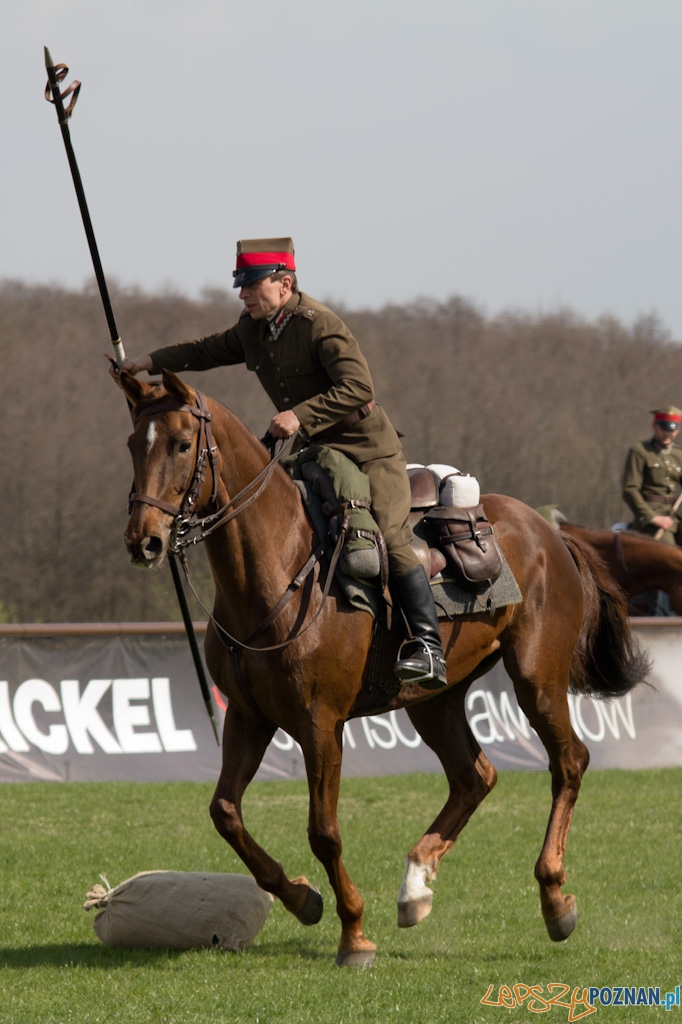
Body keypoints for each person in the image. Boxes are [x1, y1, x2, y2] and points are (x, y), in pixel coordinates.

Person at [112, 237, 447, 688]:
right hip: (317, 452)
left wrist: (298, 414)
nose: (243, 294)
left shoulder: (320, 325)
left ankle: (427, 647)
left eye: (252, 285)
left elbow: (359, 388)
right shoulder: (254, 329)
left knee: (389, 534)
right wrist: (146, 362)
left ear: (284, 284)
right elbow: (206, 351)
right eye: (242, 286)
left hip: (368, 452)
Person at [622, 405, 682, 546]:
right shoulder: (640, 451)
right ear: (654, 426)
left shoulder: (679, 454)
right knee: (668, 555)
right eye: (663, 429)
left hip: (675, 515)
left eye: (671, 430)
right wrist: (653, 518)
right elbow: (630, 490)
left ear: (677, 430)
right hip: (652, 519)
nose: (667, 434)